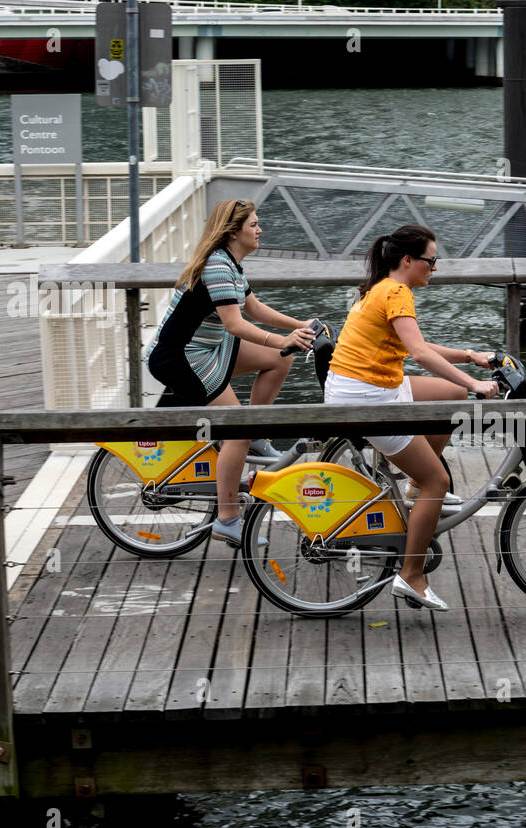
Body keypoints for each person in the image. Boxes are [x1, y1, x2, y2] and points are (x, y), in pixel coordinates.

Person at [324, 224, 498, 612]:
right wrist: (476, 383)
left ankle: (417, 490)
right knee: (438, 477)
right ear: (408, 260)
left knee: (450, 396)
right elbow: (419, 353)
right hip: (367, 399)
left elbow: (412, 346)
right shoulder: (396, 291)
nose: (434, 268)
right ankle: (411, 576)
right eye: (431, 261)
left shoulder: (380, 287)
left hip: (375, 386)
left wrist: (470, 356)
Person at [146, 198, 316, 546]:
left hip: (210, 348)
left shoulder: (232, 264)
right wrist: (283, 337)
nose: (260, 229)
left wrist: (301, 326)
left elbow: (255, 308)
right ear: (233, 231)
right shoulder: (218, 267)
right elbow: (235, 323)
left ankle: (253, 436)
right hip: (183, 357)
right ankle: (227, 518)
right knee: (235, 430)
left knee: (280, 357)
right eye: (253, 224)